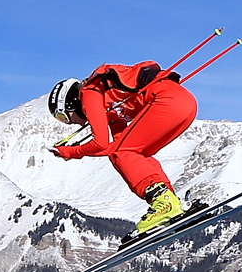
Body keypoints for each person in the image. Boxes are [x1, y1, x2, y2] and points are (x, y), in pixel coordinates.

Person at [47, 60, 199, 241]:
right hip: (184, 104)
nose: (71, 123)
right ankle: (170, 203)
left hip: (167, 102)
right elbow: (115, 146)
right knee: (135, 154)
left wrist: (70, 152)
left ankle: (163, 203)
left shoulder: (89, 93)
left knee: (124, 153)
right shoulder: (109, 104)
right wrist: (78, 150)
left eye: (63, 117)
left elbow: (102, 144)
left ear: (71, 102)